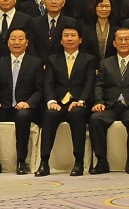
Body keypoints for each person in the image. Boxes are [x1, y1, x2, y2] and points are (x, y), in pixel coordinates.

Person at [36, 25, 97, 176]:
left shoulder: (89, 59)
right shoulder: (53, 59)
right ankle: (44, 162)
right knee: (49, 114)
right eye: (66, 35)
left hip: (78, 103)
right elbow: (48, 83)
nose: (69, 39)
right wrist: (51, 101)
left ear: (80, 40)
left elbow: (89, 83)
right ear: (61, 40)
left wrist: (81, 101)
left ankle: (79, 161)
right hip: (58, 102)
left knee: (77, 114)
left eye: (73, 35)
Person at [0, 27, 43, 175]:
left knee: (23, 116)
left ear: (27, 42)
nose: (17, 42)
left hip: (25, 108)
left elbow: (40, 90)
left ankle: (21, 161)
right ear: (8, 42)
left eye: (21, 39)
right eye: (13, 39)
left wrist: (28, 103)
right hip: (4, 107)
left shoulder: (35, 63)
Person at [90, 27, 129, 175]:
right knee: (95, 119)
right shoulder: (105, 63)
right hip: (110, 105)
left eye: (126, 39)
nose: (123, 42)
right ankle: (101, 161)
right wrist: (98, 102)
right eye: (120, 39)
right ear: (114, 43)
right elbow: (99, 85)